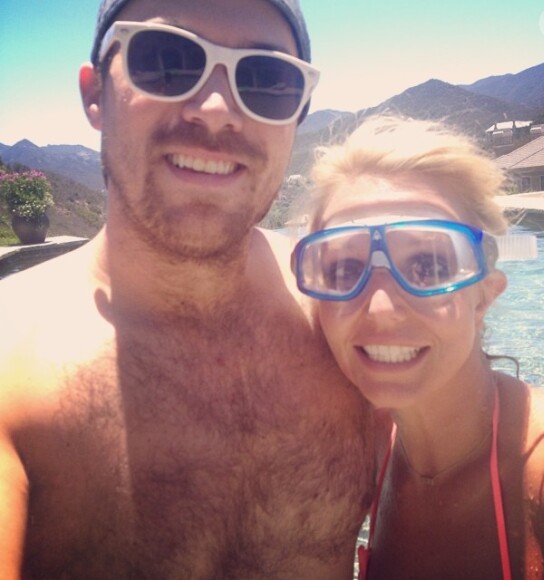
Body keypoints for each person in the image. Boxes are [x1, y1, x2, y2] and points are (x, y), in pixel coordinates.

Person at [0, 1, 380, 577]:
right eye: (169, 61)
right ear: (95, 92)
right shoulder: (13, 363)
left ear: (298, 112)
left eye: (265, 80)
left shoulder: (348, 318)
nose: (216, 111)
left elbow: (477, 453)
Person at [291, 117, 544, 579]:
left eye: (427, 264)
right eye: (345, 268)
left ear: (484, 294)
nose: (381, 308)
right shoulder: (366, 448)